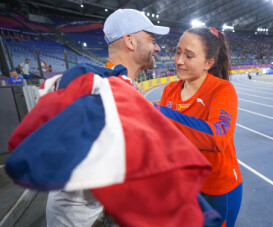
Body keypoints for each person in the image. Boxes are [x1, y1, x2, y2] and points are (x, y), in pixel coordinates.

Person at [6, 9, 214, 227]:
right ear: (130, 41)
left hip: (93, 210)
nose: (158, 47)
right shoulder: (100, 87)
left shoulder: (114, 85)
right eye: (152, 40)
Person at [155, 27, 243, 227]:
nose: (178, 60)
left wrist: (158, 113)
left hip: (218, 188)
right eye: (178, 52)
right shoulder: (170, 90)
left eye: (189, 55)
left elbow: (218, 136)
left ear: (208, 63)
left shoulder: (222, 89)